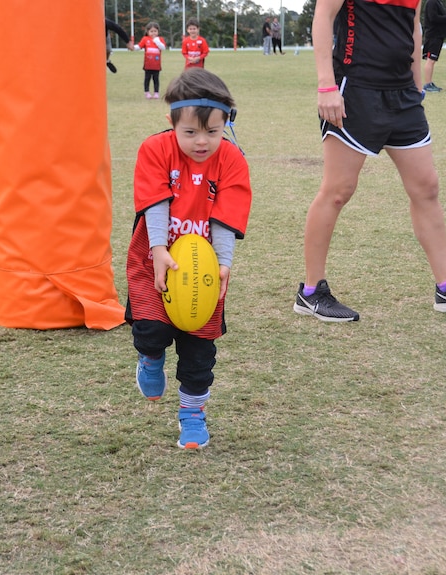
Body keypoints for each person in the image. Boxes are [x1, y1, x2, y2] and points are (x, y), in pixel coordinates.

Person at [296, 0, 446, 322]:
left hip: (403, 93)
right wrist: (326, 85)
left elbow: (414, 27)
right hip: (356, 88)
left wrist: (417, 87)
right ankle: (310, 292)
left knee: (426, 187)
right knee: (338, 190)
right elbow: (323, 16)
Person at [125, 68, 252, 450]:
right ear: (172, 122)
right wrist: (160, 248)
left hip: (203, 268)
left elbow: (227, 216)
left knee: (199, 353)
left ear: (225, 122)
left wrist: (224, 263)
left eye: (213, 132)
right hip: (154, 256)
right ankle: (150, 359)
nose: (202, 142)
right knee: (152, 331)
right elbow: (157, 203)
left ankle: (192, 415)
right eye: (191, 132)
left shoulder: (230, 159)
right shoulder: (155, 149)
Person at [422, 0, 446, 92]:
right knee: (430, 60)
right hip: (434, 35)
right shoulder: (432, 2)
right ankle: (427, 84)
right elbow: (433, 18)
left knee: (432, 60)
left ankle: (430, 82)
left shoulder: (437, 2)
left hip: (438, 35)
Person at [135, 21, 166, 99]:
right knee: (147, 79)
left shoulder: (160, 39)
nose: (153, 33)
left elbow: (163, 48)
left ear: (158, 31)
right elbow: (139, 46)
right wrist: (132, 47)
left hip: (156, 65)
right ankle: (147, 92)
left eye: (155, 31)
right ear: (148, 31)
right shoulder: (145, 39)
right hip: (148, 64)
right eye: (151, 31)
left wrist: (157, 42)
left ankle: (156, 93)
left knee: (156, 79)